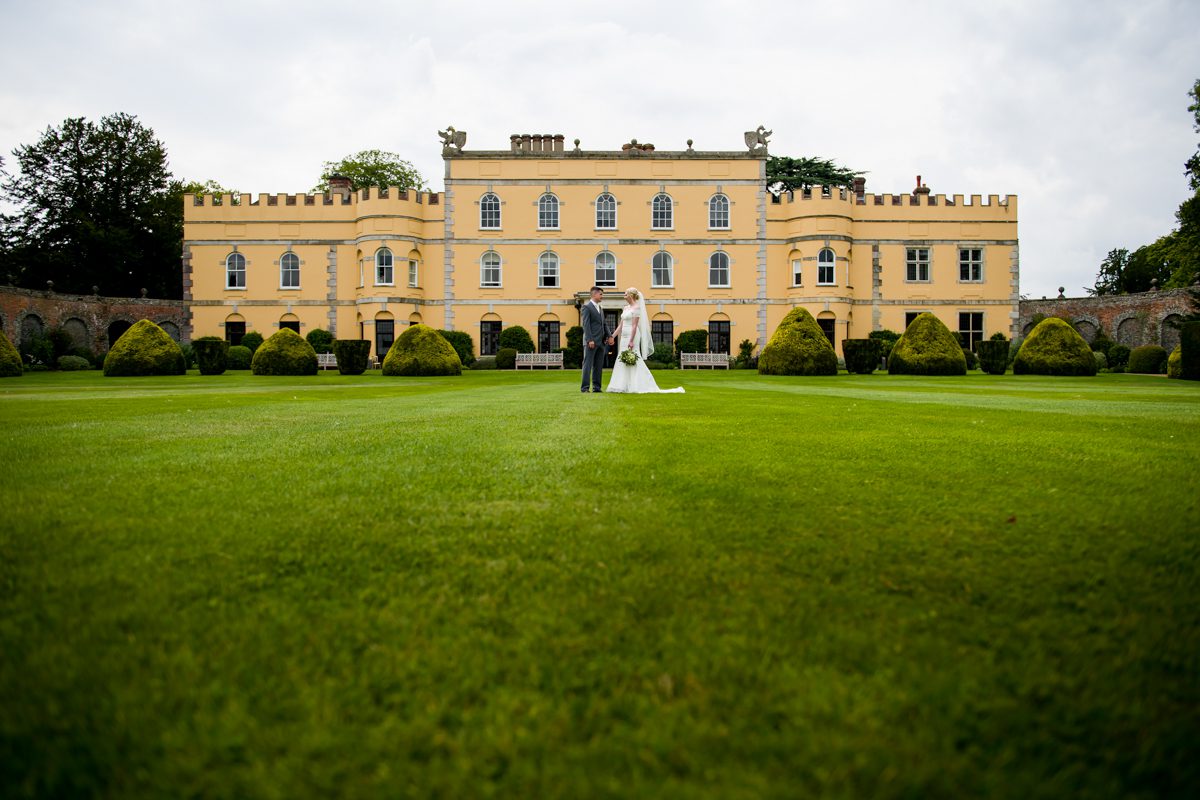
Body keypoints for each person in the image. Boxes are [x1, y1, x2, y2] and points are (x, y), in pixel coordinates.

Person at [606, 287, 685, 394]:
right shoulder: (625, 308)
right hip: (623, 336)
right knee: (622, 358)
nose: (624, 296)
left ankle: (638, 384)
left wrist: (631, 340)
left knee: (634, 358)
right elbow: (621, 325)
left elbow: (634, 326)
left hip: (632, 335)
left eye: (625, 294)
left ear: (631, 295)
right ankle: (621, 385)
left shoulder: (636, 308)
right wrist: (612, 336)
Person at [580, 285, 614, 392]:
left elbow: (604, 324)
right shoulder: (586, 307)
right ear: (594, 294)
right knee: (587, 365)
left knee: (598, 366)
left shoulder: (600, 308)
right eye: (601, 294)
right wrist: (590, 339)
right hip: (591, 342)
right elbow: (586, 325)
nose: (602, 296)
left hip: (601, 342)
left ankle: (597, 387)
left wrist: (610, 336)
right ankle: (585, 388)